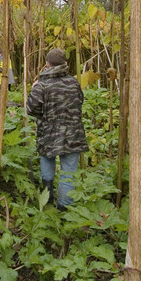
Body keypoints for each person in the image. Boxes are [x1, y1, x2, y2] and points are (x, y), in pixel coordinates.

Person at [26, 48, 88, 210]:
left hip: (49, 133)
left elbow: (31, 109)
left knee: (47, 160)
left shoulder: (42, 85)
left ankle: (47, 200)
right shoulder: (74, 83)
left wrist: (34, 90)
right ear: (65, 64)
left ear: (47, 64)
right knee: (69, 173)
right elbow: (79, 102)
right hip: (73, 134)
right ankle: (65, 211)